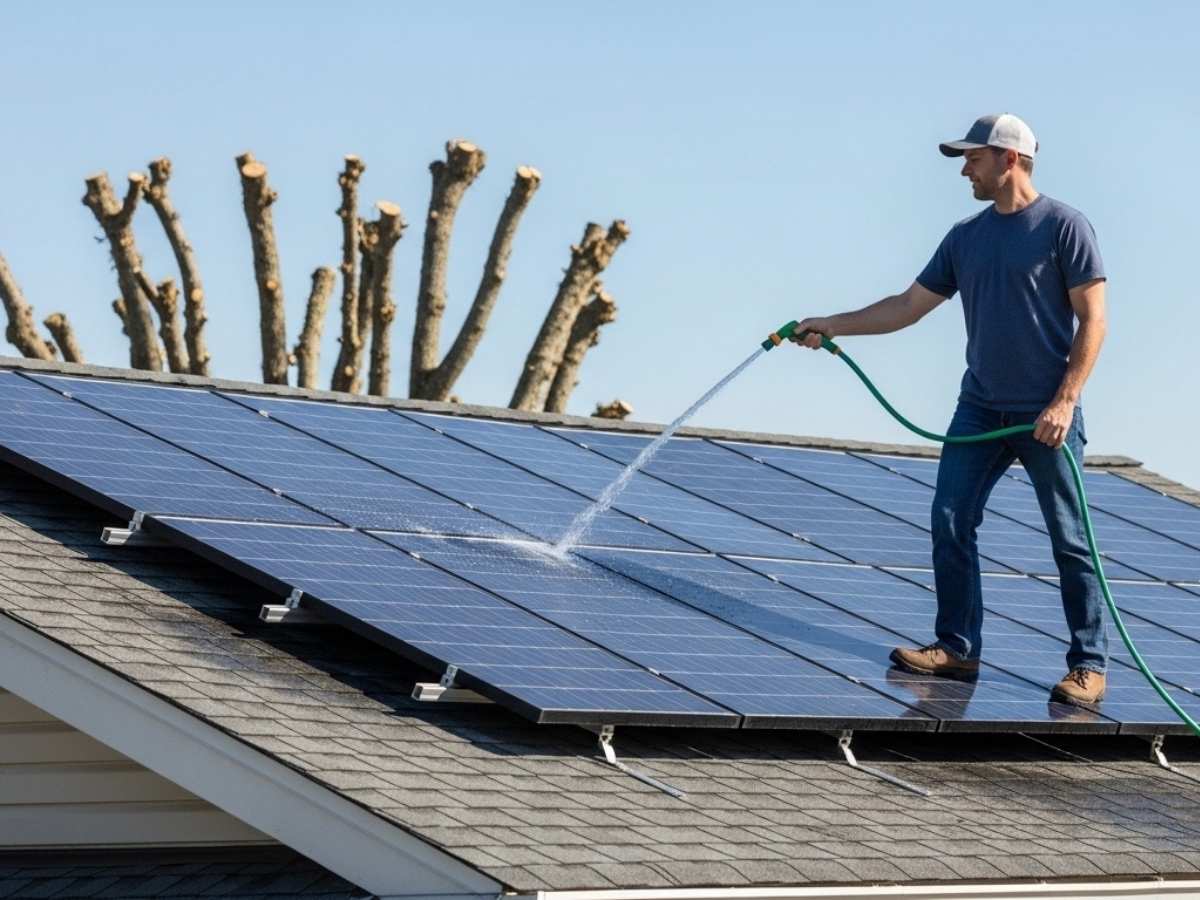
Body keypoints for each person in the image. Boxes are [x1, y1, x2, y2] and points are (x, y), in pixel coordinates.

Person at [792, 113, 1108, 706]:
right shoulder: (965, 236)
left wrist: (1065, 401)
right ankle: (957, 647)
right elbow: (906, 306)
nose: (965, 170)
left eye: (974, 159)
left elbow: (1094, 320)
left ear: (1009, 159)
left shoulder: (1064, 226)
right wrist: (831, 324)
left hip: (1046, 414)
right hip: (980, 409)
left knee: (1069, 539)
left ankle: (1088, 665)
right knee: (950, 519)